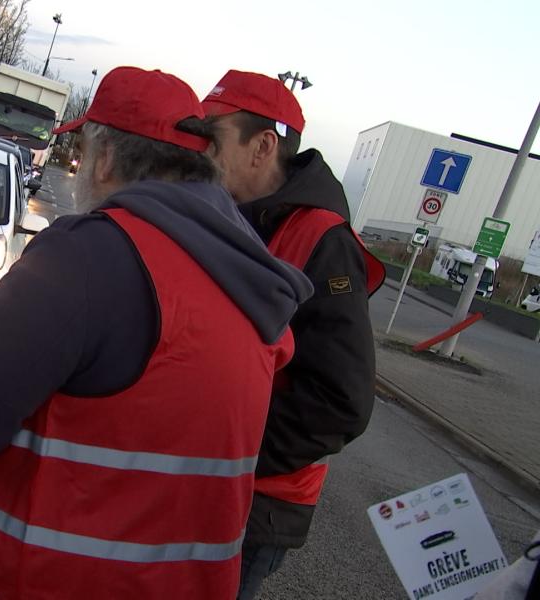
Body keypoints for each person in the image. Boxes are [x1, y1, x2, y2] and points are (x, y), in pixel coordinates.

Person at [0, 66, 313, 599]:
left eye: (87, 151)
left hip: (9, 580)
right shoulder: (251, 282)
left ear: (107, 157)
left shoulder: (88, 254)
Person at [195, 69, 386, 599]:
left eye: (213, 137)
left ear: (262, 146)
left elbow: (341, 399)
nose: (199, 149)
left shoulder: (322, 240)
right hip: (207, 480)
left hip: (257, 502)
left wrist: (229, 450)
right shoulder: (232, 214)